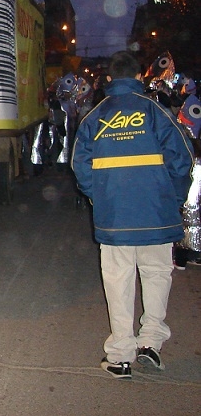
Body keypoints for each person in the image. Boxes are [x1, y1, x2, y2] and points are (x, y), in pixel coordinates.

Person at [71, 50, 193, 379]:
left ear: (109, 80)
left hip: (115, 218)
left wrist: (102, 198)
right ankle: (150, 344)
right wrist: (173, 199)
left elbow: (80, 168)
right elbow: (183, 160)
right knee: (156, 275)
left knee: (118, 280)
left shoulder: (94, 118)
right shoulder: (157, 112)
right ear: (139, 77)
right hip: (158, 215)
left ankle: (121, 355)